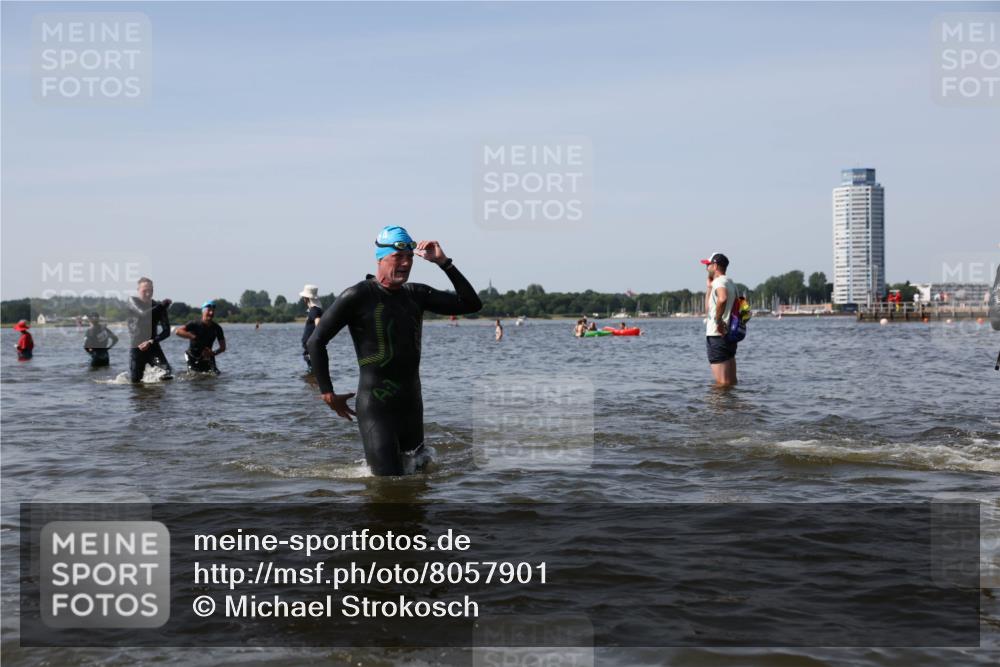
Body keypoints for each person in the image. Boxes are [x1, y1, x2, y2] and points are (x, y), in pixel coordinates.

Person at [307, 225, 482, 476]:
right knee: (388, 481)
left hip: (411, 404)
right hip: (377, 406)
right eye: (398, 257)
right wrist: (327, 392)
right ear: (381, 258)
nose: (406, 263)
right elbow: (316, 341)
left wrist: (444, 262)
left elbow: (471, 304)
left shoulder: (417, 294)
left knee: (418, 479)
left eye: (410, 257)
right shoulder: (358, 296)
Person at [127, 277, 173, 382]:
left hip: (153, 346)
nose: (148, 293)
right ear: (138, 290)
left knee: (167, 375)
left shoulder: (158, 306)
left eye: (151, 291)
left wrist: (151, 341)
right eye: (145, 291)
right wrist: (162, 306)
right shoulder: (132, 301)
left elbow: (167, 331)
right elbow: (143, 314)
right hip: (137, 348)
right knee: (136, 382)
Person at [702, 252, 737, 386]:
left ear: (715, 265)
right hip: (729, 336)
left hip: (717, 336)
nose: (706, 268)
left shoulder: (719, 282)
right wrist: (709, 288)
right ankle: (731, 405)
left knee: (722, 384)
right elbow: (708, 310)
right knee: (730, 382)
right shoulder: (730, 282)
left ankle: (719, 407)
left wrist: (718, 322)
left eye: (708, 265)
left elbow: (722, 298)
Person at [175, 301, 226, 374]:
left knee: (216, 374)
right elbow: (178, 331)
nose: (211, 313)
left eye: (213, 311)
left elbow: (223, 347)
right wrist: (193, 337)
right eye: (209, 310)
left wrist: (213, 353)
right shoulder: (194, 324)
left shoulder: (217, 328)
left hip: (207, 356)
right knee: (194, 375)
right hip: (192, 356)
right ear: (203, 312)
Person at [299, 284, 324, 372]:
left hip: (312, 348)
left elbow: (318, 323)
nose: (303, 299)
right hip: (312, 347)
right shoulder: (316, 310)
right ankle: (314, 383)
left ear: (306, 298)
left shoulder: (314, 310)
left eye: (304, 297)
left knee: (313, 372)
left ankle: (313, 384)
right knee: (313, 372)